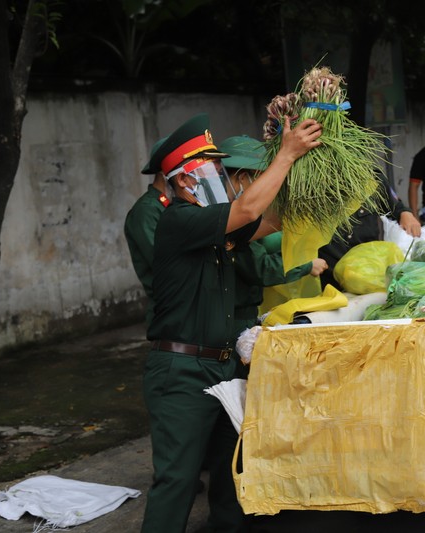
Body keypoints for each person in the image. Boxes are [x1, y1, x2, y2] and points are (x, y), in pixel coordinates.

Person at [141, 113, 321, 532]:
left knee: (231, 471)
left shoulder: (214, 226)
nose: (223, 178)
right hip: (182, 372)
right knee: (178, 482)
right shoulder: (180, 221)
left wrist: (302, 164)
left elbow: (270, 219)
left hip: (221, 365)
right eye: (215, 171)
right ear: (186, 181)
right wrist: (288, 154)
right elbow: (247, 208)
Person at [218, 134, 327, 338]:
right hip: (231, 320)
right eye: (260, 179)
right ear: (242, 178)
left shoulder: (227, 212)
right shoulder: (229, 217)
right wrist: (306, 265)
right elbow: (260, 268)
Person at [319, 171, 421, 290]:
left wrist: (405, 213)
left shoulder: (372, 177)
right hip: (328, 275)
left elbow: (395, 206)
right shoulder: (311, 183)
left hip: (368, 272)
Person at [124, 136, 169, 326]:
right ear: (165, 172)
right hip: (168, 311)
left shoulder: (171, 206)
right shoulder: (147, 210)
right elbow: (165, 262)